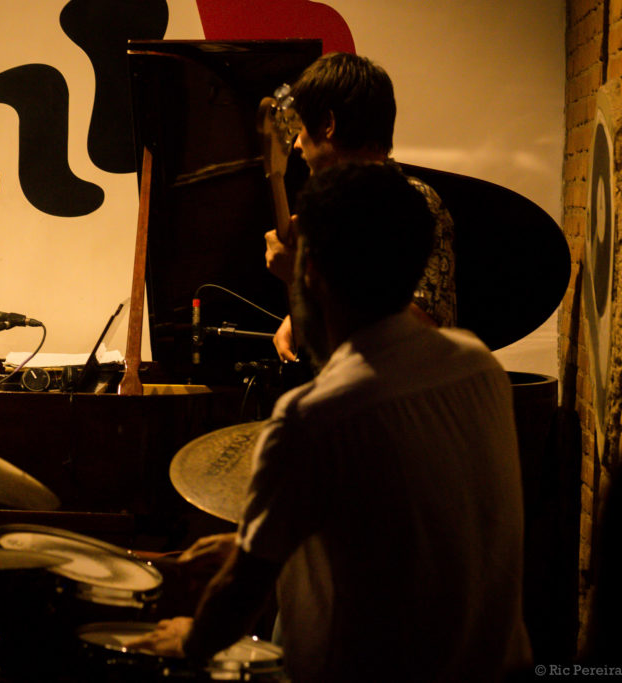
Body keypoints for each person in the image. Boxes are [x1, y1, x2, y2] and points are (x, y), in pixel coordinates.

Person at [131, 163, 531, 681]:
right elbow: (407, 534)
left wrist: (191, 638)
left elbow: (239, 599)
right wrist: (256, 542)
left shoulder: (313, 419)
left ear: (309, 268)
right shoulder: (478, 365)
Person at [260, 52, 456, 361]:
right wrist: (299, 318)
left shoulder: (412, 203)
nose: (296, 144)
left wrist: (303, 279)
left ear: (328, 124)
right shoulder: (328, 209)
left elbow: (424, 328)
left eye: (300, 126)